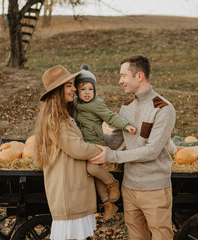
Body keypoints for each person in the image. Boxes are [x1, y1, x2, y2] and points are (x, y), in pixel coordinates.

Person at [89, 55, 176, 240]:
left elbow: (151, 151)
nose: (120, 81)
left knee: (162, 237)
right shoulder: (126, 107)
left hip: (154, 189)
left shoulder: (163, 109)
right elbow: (114, 141)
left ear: (140, 76)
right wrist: (86, 134)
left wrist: (111, 156)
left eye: (123, 76)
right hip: (129, 188)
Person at [34, 65, 102, 240]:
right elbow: (78, 148)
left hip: (73, 191)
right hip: (69, 194)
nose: (74, 89)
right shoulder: (55, 120)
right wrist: (104, 150)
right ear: (58, 91)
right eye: (69, 85)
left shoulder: (61, 114)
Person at [73, 64, 136, 221]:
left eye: (90, 89)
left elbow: (110, 117)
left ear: (94, 90)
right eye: (83, 89)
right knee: (94, 176)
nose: (87, 93)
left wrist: (125, 125)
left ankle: (112, 182)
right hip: (82, 145)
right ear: (76, 91)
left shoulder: (97, 104)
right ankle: (108, 204)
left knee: (92, 168)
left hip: (95, 144)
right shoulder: (74, 104)